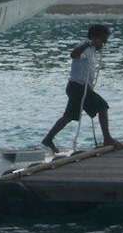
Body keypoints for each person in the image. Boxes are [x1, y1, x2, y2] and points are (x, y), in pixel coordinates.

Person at [42, 24, 117, 153]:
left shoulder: (92, 50)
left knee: (69, 116)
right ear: (95, 38)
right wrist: (88, 44)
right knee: (102, 106)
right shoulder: (86, 48)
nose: (105, 43)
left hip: (78, 88)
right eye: (103, 40)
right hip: (78, 87)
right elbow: (73, 54)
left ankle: (48, 139)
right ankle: (107, 139)